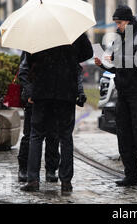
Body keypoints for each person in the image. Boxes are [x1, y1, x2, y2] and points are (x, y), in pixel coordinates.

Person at [95, 5, 137, 188]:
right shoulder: (121, 38)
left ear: (128, 21)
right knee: (124, 135)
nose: (117, 27)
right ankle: (131, 174)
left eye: (119, 23)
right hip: (123, 93)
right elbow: (118, 67)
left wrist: (119, 61)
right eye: (115, 23)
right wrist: (103, 64)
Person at [20, 33, 93, 193]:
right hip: (66, 91)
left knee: (36, 135)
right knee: (66, 136)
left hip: (42, 91)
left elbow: (29, 60)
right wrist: (71, 56)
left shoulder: (39, 31)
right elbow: (88, 53)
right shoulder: (73, 31)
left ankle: (33, 180)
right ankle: (66, 182)